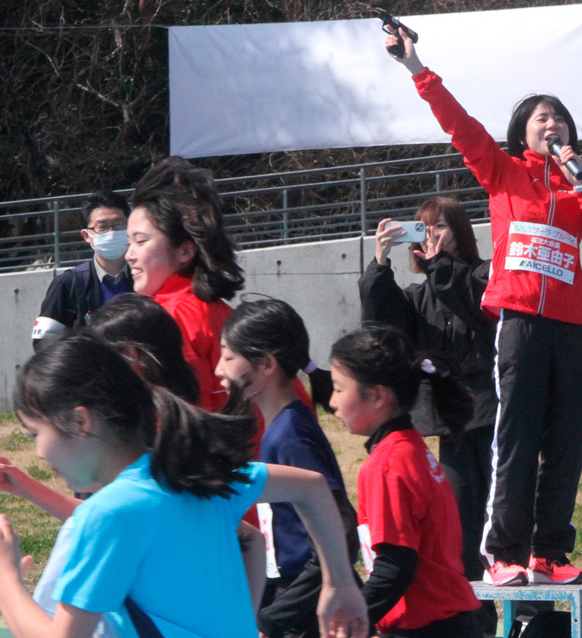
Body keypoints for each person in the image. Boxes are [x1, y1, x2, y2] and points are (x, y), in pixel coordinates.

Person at [386, 26, 582, 587]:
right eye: (541, 118)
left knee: (566, 438)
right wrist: (416, 66)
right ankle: (504, 552)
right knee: (517, 436)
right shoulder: (503, 173)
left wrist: (581, 181)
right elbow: (458, 125)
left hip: (570, 329)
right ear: (523, 131)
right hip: (518, 324)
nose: (552, 125)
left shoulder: (576, 190)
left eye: (559, 119)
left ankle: (550, 551)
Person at [0, 333, 367, 638]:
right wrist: (340, 584)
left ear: (80, 422)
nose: (39, 452)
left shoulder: (106, 517)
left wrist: (6, 579)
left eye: (36, 433)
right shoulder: (191, 478)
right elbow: (311, 488)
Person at [358, 196, 497, 632]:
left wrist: (440, 267)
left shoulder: (480, 274)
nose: (431, 235)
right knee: (459, 522)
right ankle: (475, 612)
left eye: (439, 227)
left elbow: (477, 305)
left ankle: (511, 608)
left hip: (492, 416)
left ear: (459, 230)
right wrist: (380, 263)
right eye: (423, 229)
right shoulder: (417, 297)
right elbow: (384, 328)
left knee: (500, 519)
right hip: (448, 425)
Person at [216, 298, 360, 638]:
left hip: (311, 607)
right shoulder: (283, 426)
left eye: (228, 357)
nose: (219, 369)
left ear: (266, 364)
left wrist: (276, 617)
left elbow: (340, 526)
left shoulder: (291, 434)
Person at [329, 327, 482, 637]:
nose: (331, 401)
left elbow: (396, 565)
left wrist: (354, 617)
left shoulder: (387, 464)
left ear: (377, 396)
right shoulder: (411, 448)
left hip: (428, 628)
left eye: (338, 389)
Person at [127, 157, 244, 412]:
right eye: (129, 242)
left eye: (140, 241)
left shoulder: (170, 316)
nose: (129, 255)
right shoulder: (217, 308)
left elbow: (183, 416)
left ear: (185, 251)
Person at [32, 190, 133, 348]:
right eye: (102, 227)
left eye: (118, 225)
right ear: (87, 236)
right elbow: (44, 341)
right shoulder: (67, 283)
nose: (111, 232)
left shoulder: (146, 277)